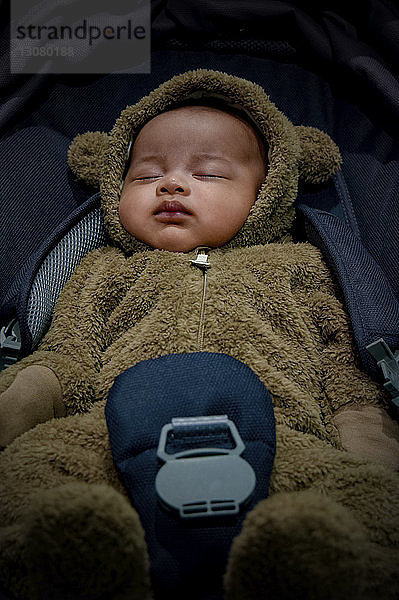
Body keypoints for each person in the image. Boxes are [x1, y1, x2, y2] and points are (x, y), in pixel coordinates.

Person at [0, 69, 398, 600]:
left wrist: (370, 446)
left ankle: (305, 563)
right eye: (144, 177)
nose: (171, 184)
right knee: (35, 471)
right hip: (107, 433)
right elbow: (67, 354)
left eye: (208, 174)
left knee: (359, 498)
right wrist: (21, 403)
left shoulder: (302, 267)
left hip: (286, 434)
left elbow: (345, 373)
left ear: (267, 192)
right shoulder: (103, 268)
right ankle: (75, 558)